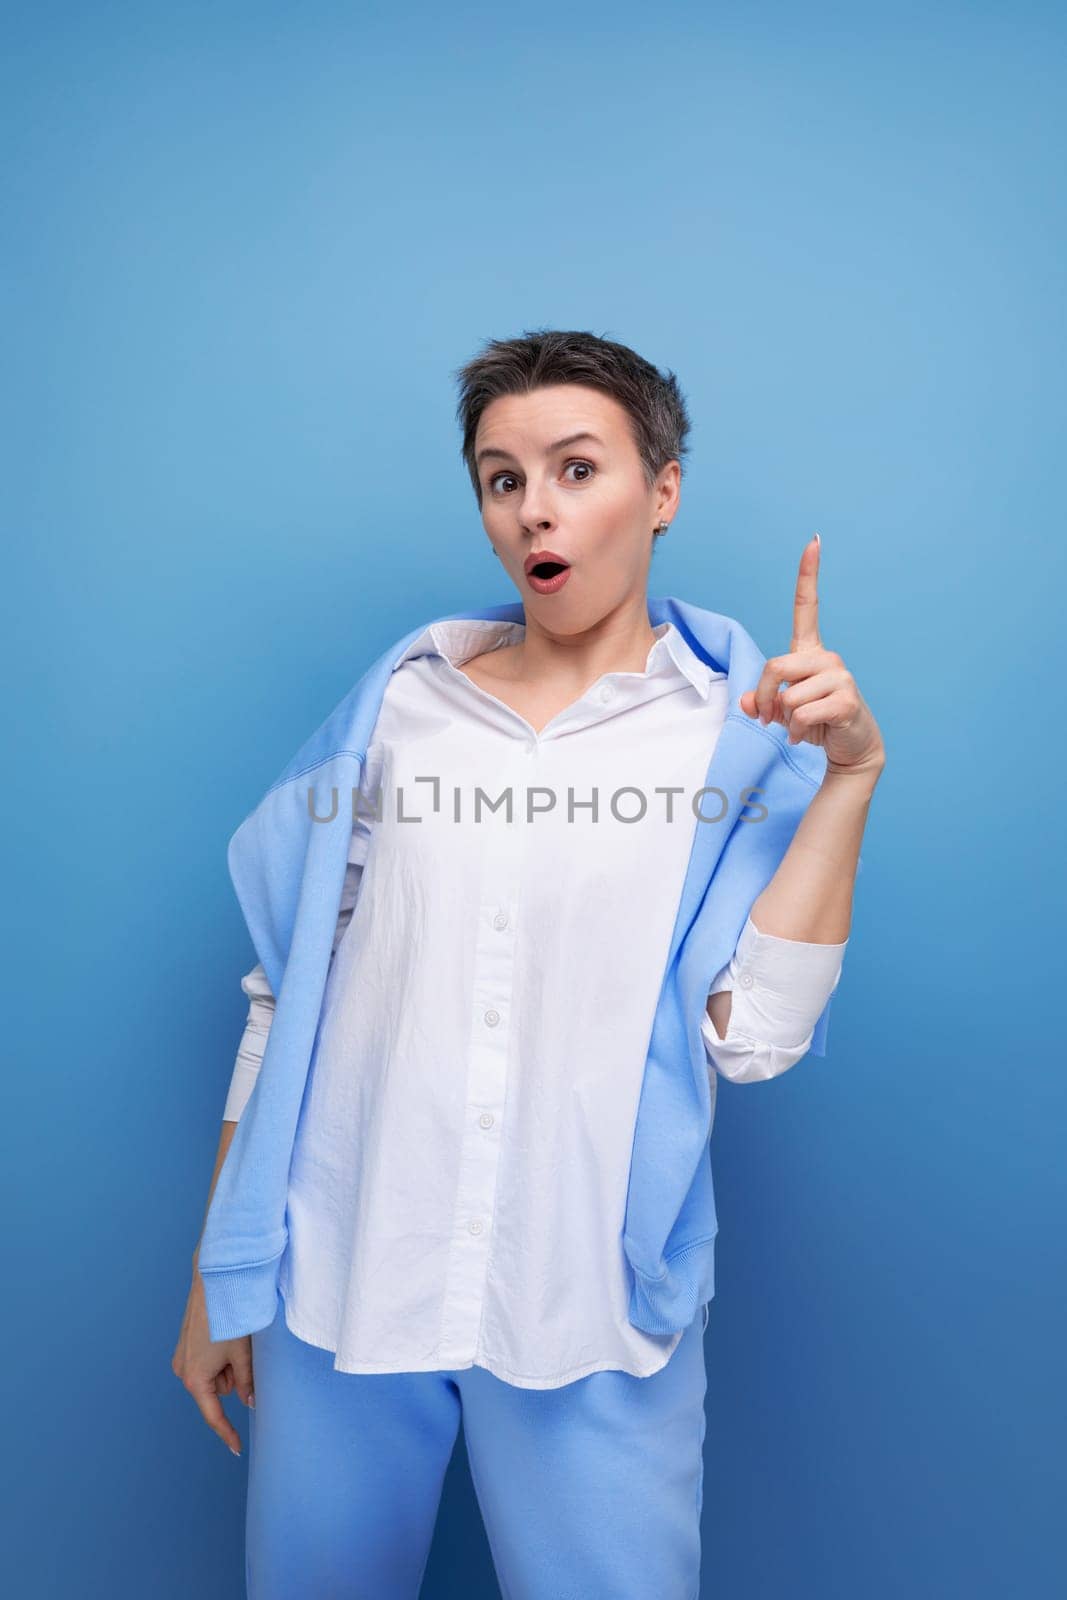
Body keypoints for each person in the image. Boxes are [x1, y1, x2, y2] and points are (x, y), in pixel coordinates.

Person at [172, 328, 886, 1597]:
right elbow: (285, 998)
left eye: (573, 468)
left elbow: (753, 1039)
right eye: (502, 479)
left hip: (582, 1307)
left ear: (660, 493)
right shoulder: (397, 706)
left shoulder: (736, 736)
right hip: (340, 1280)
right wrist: (218, 1276)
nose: (533, 508)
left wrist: (845, 779)